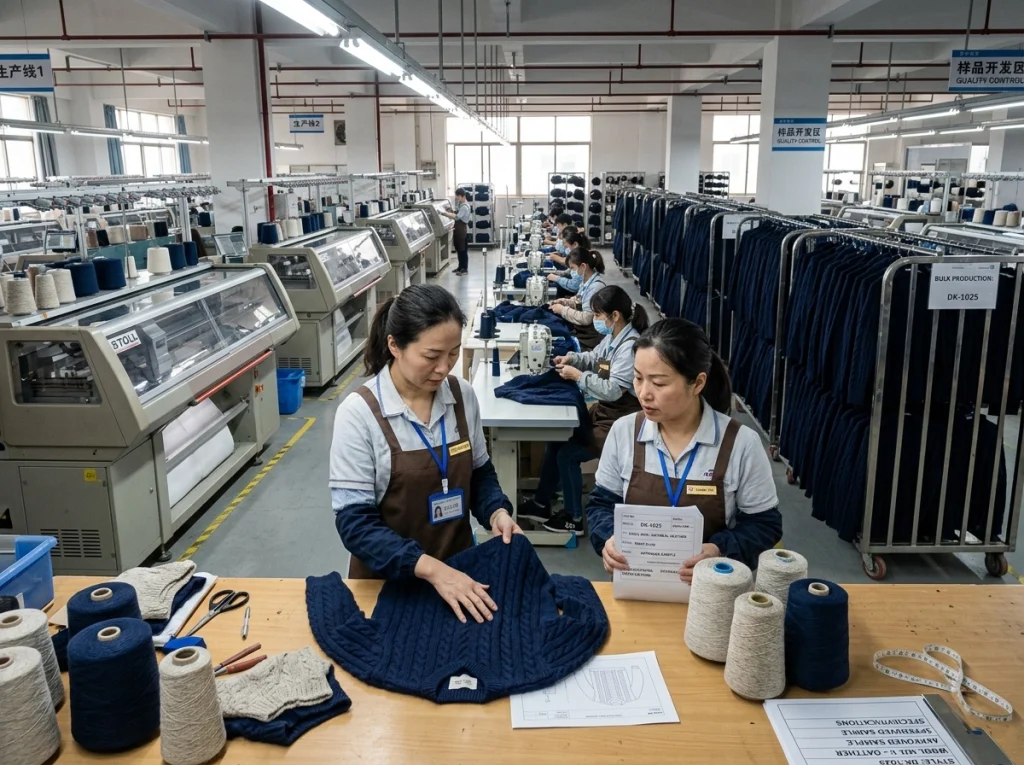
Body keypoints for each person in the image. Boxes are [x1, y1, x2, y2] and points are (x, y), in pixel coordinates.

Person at [331, 284, 522, 623]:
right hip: (387, 587)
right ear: (395, 346)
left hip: (460, 577)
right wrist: (431, 570)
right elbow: (356, 525)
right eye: (432, 357)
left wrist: (496, 512)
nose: (444, 368)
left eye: (453, 354)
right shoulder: (359, 414)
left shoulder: (461, 397)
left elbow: (479, 473)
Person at [586, 319, 782, 581]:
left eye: (659, 383)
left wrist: (720, 549)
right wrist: (607, 539)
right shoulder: (624, 433)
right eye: (638, 378)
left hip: (712, 590)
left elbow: (764, 525)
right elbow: (601, 504)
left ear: (698, 383)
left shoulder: (740, 444)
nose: (644, 393)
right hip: (636, 584)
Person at [520, 286, 650, 535]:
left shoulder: (629, 348)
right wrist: (571, 359)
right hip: (605, 412)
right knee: (557, 439)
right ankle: (540, 503)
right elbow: (595, 359)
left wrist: (578, 376)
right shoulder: (614, 339)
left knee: (568, 454)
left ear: (614, 316)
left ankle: (573, 518)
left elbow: (612, 390)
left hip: (621, 422)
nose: (596, 320)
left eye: (599, 316)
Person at [550, 248, 608, 351]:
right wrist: (564, 302)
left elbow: (586, 318)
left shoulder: (595, 287)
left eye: (573, 268)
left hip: (590, 339)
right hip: (582, 332)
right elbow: (580, 301)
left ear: (583, 266)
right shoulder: (586, 282)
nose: (572, 272)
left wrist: (562, 310)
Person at [548, 230, 588, 297]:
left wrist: (557, 278)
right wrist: (558, 274)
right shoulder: (578, 255)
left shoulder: (580, 258)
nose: (565, 248)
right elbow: (570, 270)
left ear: (575, 244)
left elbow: (575, 285)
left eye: (567, 247)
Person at [441, 188, 471, 276]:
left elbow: (457, 217)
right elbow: (456, 212)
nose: (457, 198)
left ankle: (464, 269)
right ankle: (460, 267)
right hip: (458, 228)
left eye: (458, 196)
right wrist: (450, 211)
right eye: (456, 196)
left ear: (463, 196)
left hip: (462, 229)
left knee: (463, 250)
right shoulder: (461, 204)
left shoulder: (465, 206)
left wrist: (445, 213)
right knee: (459, 249)